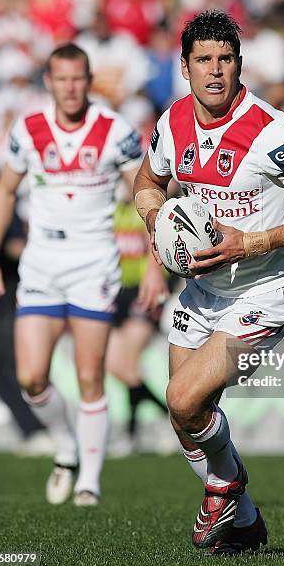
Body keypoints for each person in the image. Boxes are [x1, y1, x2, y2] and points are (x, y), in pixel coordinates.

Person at [133, 9, 284, 555]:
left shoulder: (273, 131)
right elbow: (148, 179)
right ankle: (247, 521)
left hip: (263, 292)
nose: (215, 71)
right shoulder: (174, 121)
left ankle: (225, 486)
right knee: (186, 419)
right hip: (203, 291)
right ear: (184, 67)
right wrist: (155, 220)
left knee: (183, 398)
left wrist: (251, 242)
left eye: (225, 59)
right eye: (203, 60)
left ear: (239, 64)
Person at [0, 43, 167, 506]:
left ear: (89, 80)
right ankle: (65, 448)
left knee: (89, 376)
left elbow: (149, 197)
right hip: (41, 262)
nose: (70, 88)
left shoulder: (114, 132)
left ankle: (90, 479)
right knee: (31, 378)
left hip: (93, 263)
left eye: (78, 78)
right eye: (61, 79)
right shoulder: (29, 129)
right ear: (48, 82)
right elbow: (4, 192)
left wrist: (155, 267)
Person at [0, 168, 52, 454]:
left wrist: (13, 249)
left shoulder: (4, 219)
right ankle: (33, 430)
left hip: (11, 304)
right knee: (0, 374)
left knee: (6, 370)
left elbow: (18, 246)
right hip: (0, 306)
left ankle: (38, 430)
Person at [105, 195, 168, 454]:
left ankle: (131, 434)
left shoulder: (147, 214)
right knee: (117, 367)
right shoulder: (114, 212)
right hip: (118, 294)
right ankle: (168, 418)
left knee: (128, 366)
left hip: (145, 292)